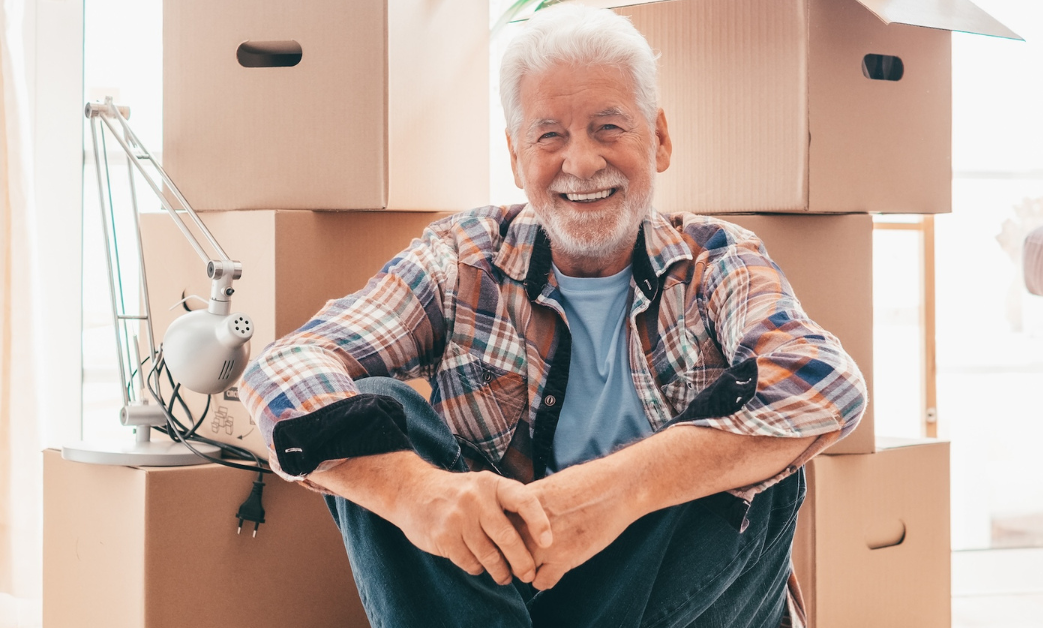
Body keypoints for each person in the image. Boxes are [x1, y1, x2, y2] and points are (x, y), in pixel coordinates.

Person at [240, 5, 867, 627]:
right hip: (512, 601)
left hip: (682, 598)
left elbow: (825, 381)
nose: (582, 162)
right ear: (516, 157)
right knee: (379, 406)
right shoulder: (463, 259)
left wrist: (616, 493)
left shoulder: (717, 260)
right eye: (550, 135)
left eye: (608, 128)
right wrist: (415, 494)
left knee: (771, 450)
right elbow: (285, 366)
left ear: (661, 138)